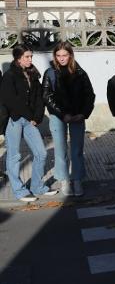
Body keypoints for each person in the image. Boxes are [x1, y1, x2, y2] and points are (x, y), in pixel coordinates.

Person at [0, 44, 58, 202]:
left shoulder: (33, 74)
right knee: (14, 156)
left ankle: (37, 186)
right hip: (15, 120)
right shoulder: (9, 76)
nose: (30, 59)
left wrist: (37, 117)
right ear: (18, 59)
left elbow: (39, 97)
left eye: (31, 56)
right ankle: (19, 191)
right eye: (27, 57)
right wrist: (28, 115)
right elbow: (10, 100)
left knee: (41, 153)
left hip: (30, 121)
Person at [42, 42, 95, 197]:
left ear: (70, 55)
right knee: (60, 150)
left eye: (64, 55)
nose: (61, 59)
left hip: (77, 115)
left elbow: (89, 95)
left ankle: (77, 180)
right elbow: (46, 96)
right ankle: (64, 180)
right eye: (58, 56)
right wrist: (61, 114)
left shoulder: (80, 72)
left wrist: (83, 113)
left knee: (77, 150)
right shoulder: (50, 72)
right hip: (58, 116)